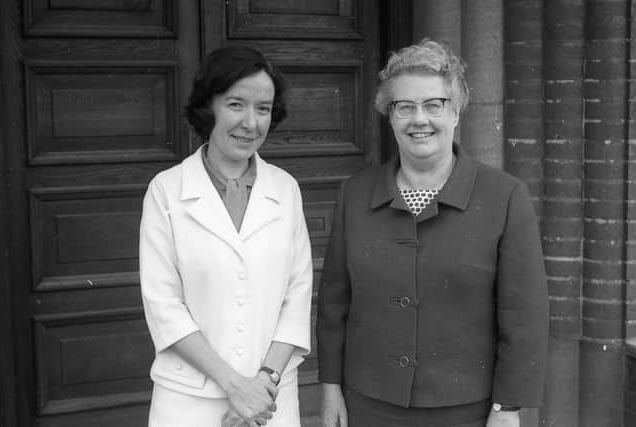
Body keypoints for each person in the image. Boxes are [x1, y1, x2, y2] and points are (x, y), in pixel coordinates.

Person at [316, 39, 549, 427]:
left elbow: (524, 314)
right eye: (404, 106)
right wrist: (329, 387)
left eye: (433, 105)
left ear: (456, 113)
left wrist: (508, 408)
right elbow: (334, 303)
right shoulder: (354, 194)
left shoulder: (505, 196)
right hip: (369, 405)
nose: (418, 119)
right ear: (389, 116)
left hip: (467, 410)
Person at [139, 46, 313, 427]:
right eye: (236, 104)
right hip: (188, 400)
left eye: (263, 109)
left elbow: (297, 297)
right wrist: (235, 387)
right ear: (209, 107)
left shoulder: (285, 190)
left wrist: (262, 383)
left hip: (271, 399)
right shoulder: (166, 191)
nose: (250, 123)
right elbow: (163, 306)